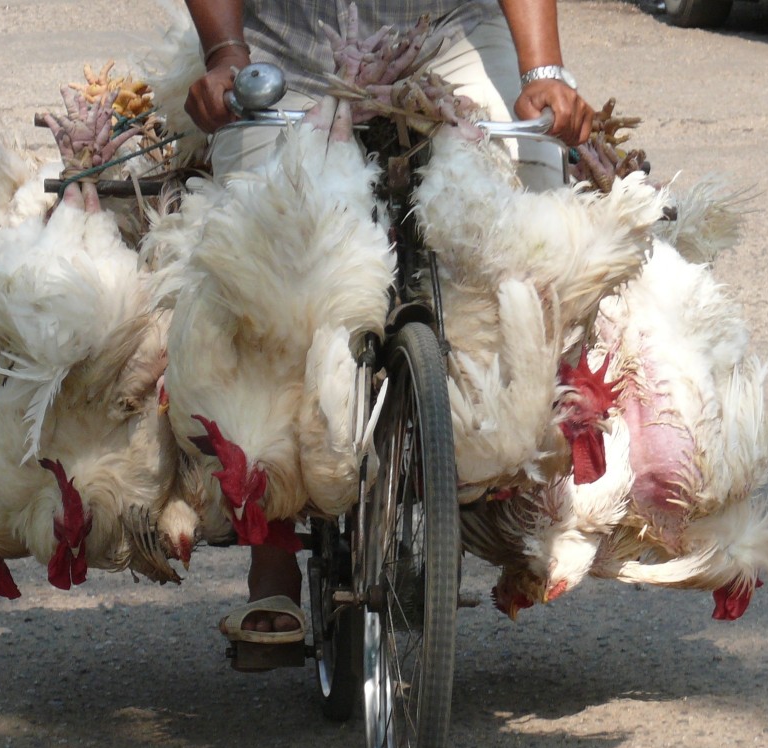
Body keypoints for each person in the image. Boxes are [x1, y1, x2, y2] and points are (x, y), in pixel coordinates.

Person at [182, 0, 595, 645]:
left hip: (448, 36)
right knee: (256, 267)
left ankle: (495, 471)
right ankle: (273, 548)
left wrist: (543, 68)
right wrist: (224, 54)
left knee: (529, 235)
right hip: (287, 52)